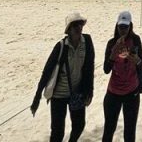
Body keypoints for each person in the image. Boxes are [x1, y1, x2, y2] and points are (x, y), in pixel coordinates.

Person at [31, 11, 95, 142]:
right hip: (58, 95)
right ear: (69, 29)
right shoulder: (61, 46)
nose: (79, 28)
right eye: (75, 25)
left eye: (80, 24)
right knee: (57, 132)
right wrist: (37, 96)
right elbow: (47, 71)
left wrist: (90, 91)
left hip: (77, 92)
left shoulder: (87, 41)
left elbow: (89, 68)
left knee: (79, 126)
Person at [103, 10, 142, 142]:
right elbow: (106, 69)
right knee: (109, 129)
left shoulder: (136, 40)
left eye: (126, 27)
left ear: (130, 26)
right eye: (121, 27)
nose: (123, 30)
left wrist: (136, 60)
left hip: (132, 92)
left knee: (130, 132)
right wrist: (113, 54)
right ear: (117, 26)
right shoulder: (111, 43)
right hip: (113, 92)